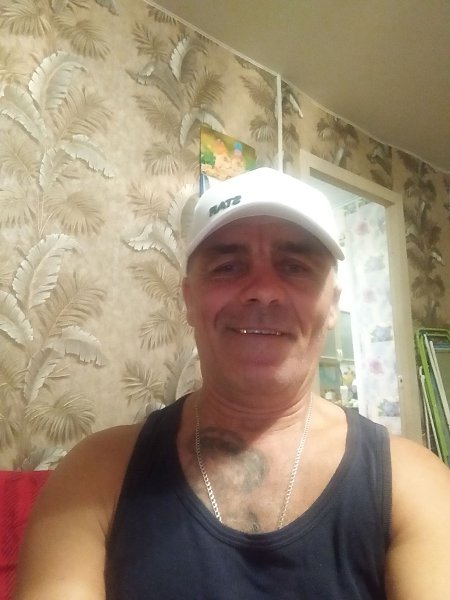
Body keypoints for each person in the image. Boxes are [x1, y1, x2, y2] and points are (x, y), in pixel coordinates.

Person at [13, 168, 450, 599]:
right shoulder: (95, 473)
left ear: (332, 304)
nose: (263, 290)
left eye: (295, 266)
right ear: (189, 298)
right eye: (228, 266)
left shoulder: (414, 484)